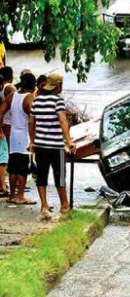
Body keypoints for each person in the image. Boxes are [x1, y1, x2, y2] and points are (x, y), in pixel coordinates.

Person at [30, 73, 75, 220]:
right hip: (56, 146)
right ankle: (64, 206)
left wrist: (32, 141)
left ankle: (44, 207)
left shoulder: (36, 101)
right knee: (60, 175)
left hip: (40, 145)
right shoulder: (58, 101)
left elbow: (31, 123)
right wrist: (69, 142)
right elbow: (63, 122)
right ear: (58, 86)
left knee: (41, 176)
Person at [0, 72, 36, 204]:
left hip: (13, 136)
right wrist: (34, 139)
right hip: (24, 136)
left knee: (13, 166)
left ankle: (12, 196)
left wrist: (0, 130)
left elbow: (0, 112)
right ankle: (20, 196)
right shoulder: (29, 98)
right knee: (22, 168)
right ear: (33, 86)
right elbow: (34, 119)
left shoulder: (11, 96)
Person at [0, 66, 15, 196]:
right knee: (6, 155)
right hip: (8, 123)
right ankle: (5, 185)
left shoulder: (3, 88)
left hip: (5, 123)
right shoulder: (9, 87)